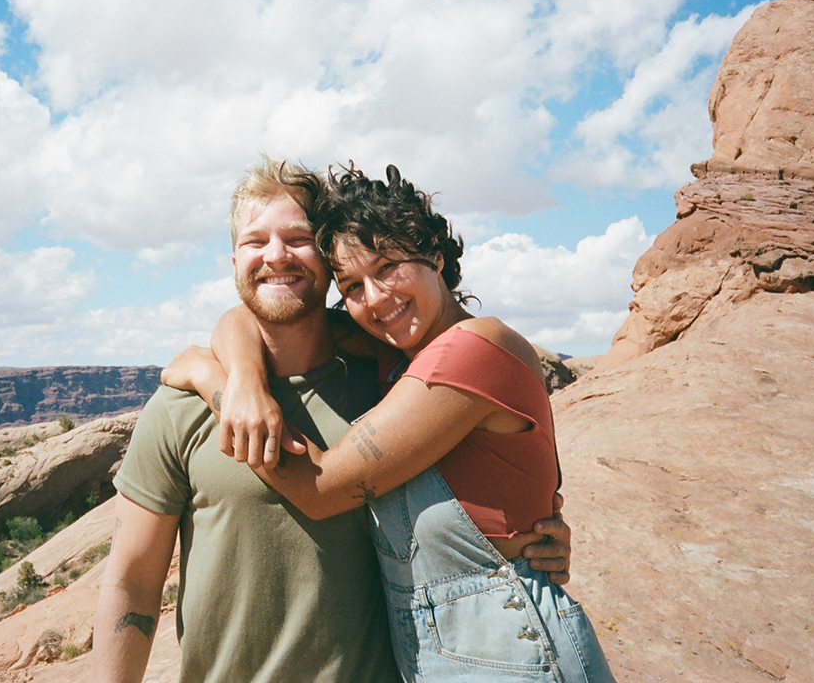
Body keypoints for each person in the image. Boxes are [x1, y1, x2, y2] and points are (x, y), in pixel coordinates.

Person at [92, 158, 573, 683]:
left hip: (506, 654)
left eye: (298, 239)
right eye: (356, 286)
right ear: (234, 260)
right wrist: (242, 380)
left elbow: (321, 490)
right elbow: (131, 580)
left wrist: (217, 385)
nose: (377, 298)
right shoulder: (390, 358)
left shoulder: (421, 368)